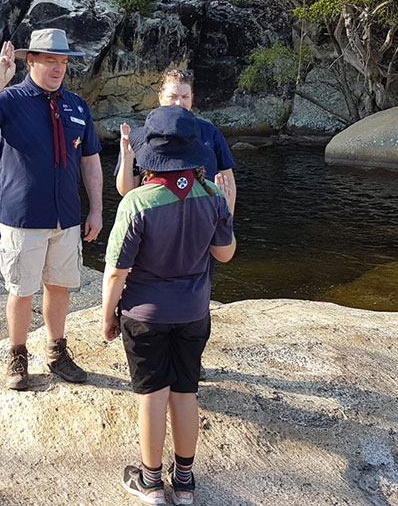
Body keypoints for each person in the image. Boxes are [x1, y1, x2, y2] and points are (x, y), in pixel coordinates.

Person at [101, 106, 236, 505]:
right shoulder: (212, 195)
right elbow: (225, 255)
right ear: (194, 153)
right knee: (185, 393)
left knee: (152, 396)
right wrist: (225, 214)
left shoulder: (137, 202)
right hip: (194, 313)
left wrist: (108, 317)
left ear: (150, 156)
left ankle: (151, 482)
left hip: (145, 317)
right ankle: (186, 482)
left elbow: (115, 273)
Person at [0, 29, 104, 390]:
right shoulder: (10, 100)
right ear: (31, 61)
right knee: (22, 289)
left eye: (64, 61)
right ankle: (18, 356)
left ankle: (56, 352)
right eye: (51, 60)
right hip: (23, 217)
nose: (59, 68)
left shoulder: (77, 105)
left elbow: (90, 161)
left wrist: (96, 210)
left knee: (59, 287)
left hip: (66, 216)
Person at [116, 68, 236, 207]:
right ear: (160, 97)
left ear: (192, 98)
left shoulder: (210, 132)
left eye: (185, 97)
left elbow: (228, 186)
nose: (179, 103)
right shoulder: (139, 137)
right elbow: (127, 192)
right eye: (173, 96)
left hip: (203, 218)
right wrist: (126, 157)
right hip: (157, 217)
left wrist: (226, 224)